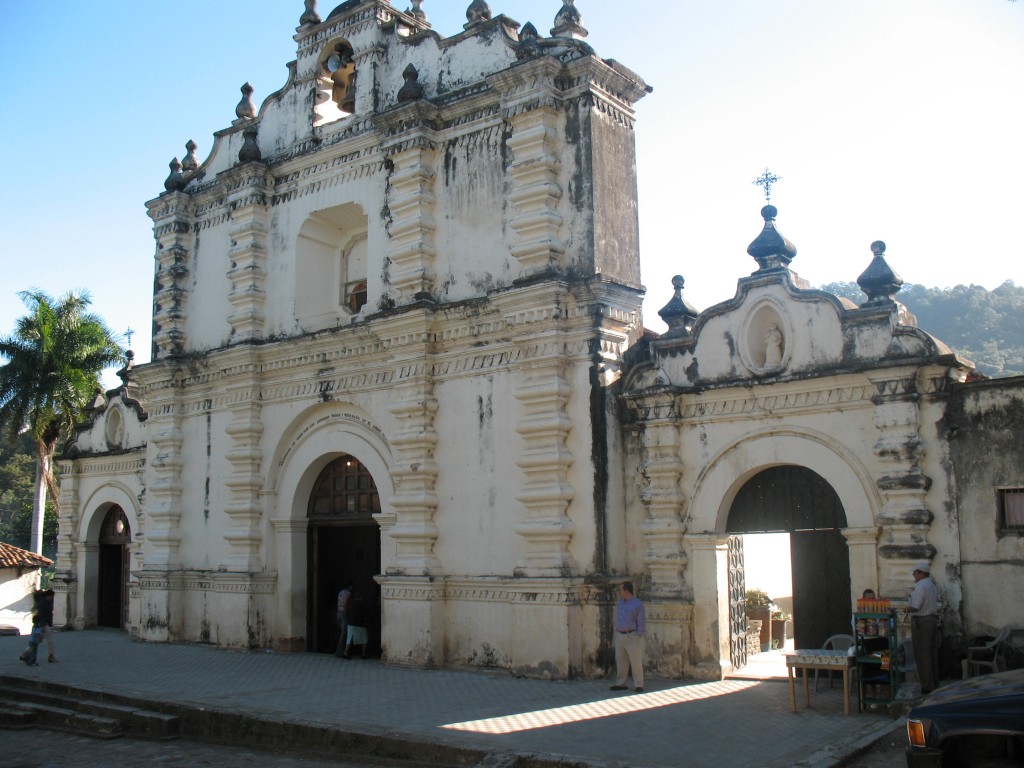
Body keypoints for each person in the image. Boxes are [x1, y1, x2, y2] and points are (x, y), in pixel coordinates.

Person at [907, 561, 940, 693]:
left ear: (920, 573)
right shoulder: (932, 585)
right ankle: (934, 682)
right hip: (931, 620)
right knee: (932, 653)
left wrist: (904, 609)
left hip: (922, 622)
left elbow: (916, 606)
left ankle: (926, 686)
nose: (913, 574)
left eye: (915, 572)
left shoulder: (921, 586)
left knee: (922, 654)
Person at [610, 581, 646, 693]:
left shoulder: (637, 604)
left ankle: (639, 684)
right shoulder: (620, 603)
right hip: (620, 635)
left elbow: (641, 620)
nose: (620, 592)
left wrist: (639, 633)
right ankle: (621, 683)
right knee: (621, 661)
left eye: (621, 590)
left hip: (632, 635)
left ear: (626, 591)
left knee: (636, 661)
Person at [341, 590, 368, 660]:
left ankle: (345, 652)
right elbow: (365, 615)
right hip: (360, 625)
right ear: (360, 597)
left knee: (349, 639)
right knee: (364, 639)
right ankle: (363, 654)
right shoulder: (362, 605)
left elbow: (346, 613)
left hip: (350, 624)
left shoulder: (350, 604)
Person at [334, 582, 353, 658]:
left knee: (342, 632)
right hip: (343, 612)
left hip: (338, 612)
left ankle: (340, 651)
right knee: (344, 633)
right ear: (349, 587)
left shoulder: (340, 592)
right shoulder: (348, 593)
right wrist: (346, 612)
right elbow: (345, 603)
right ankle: (340, 652)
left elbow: (338, 603)